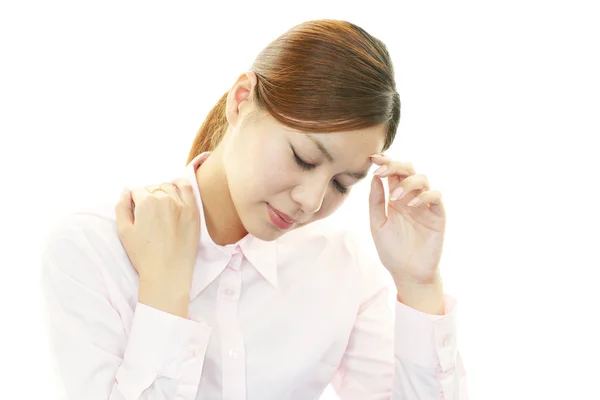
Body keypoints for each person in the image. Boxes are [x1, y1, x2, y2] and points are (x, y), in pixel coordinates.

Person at [40, 19, 468, 399]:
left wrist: (419, 284)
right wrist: (165, 293)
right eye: (303, 158)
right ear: (242, 100)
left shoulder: (343, 265)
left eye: (342, 184)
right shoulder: (92, 248)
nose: (311, 201)